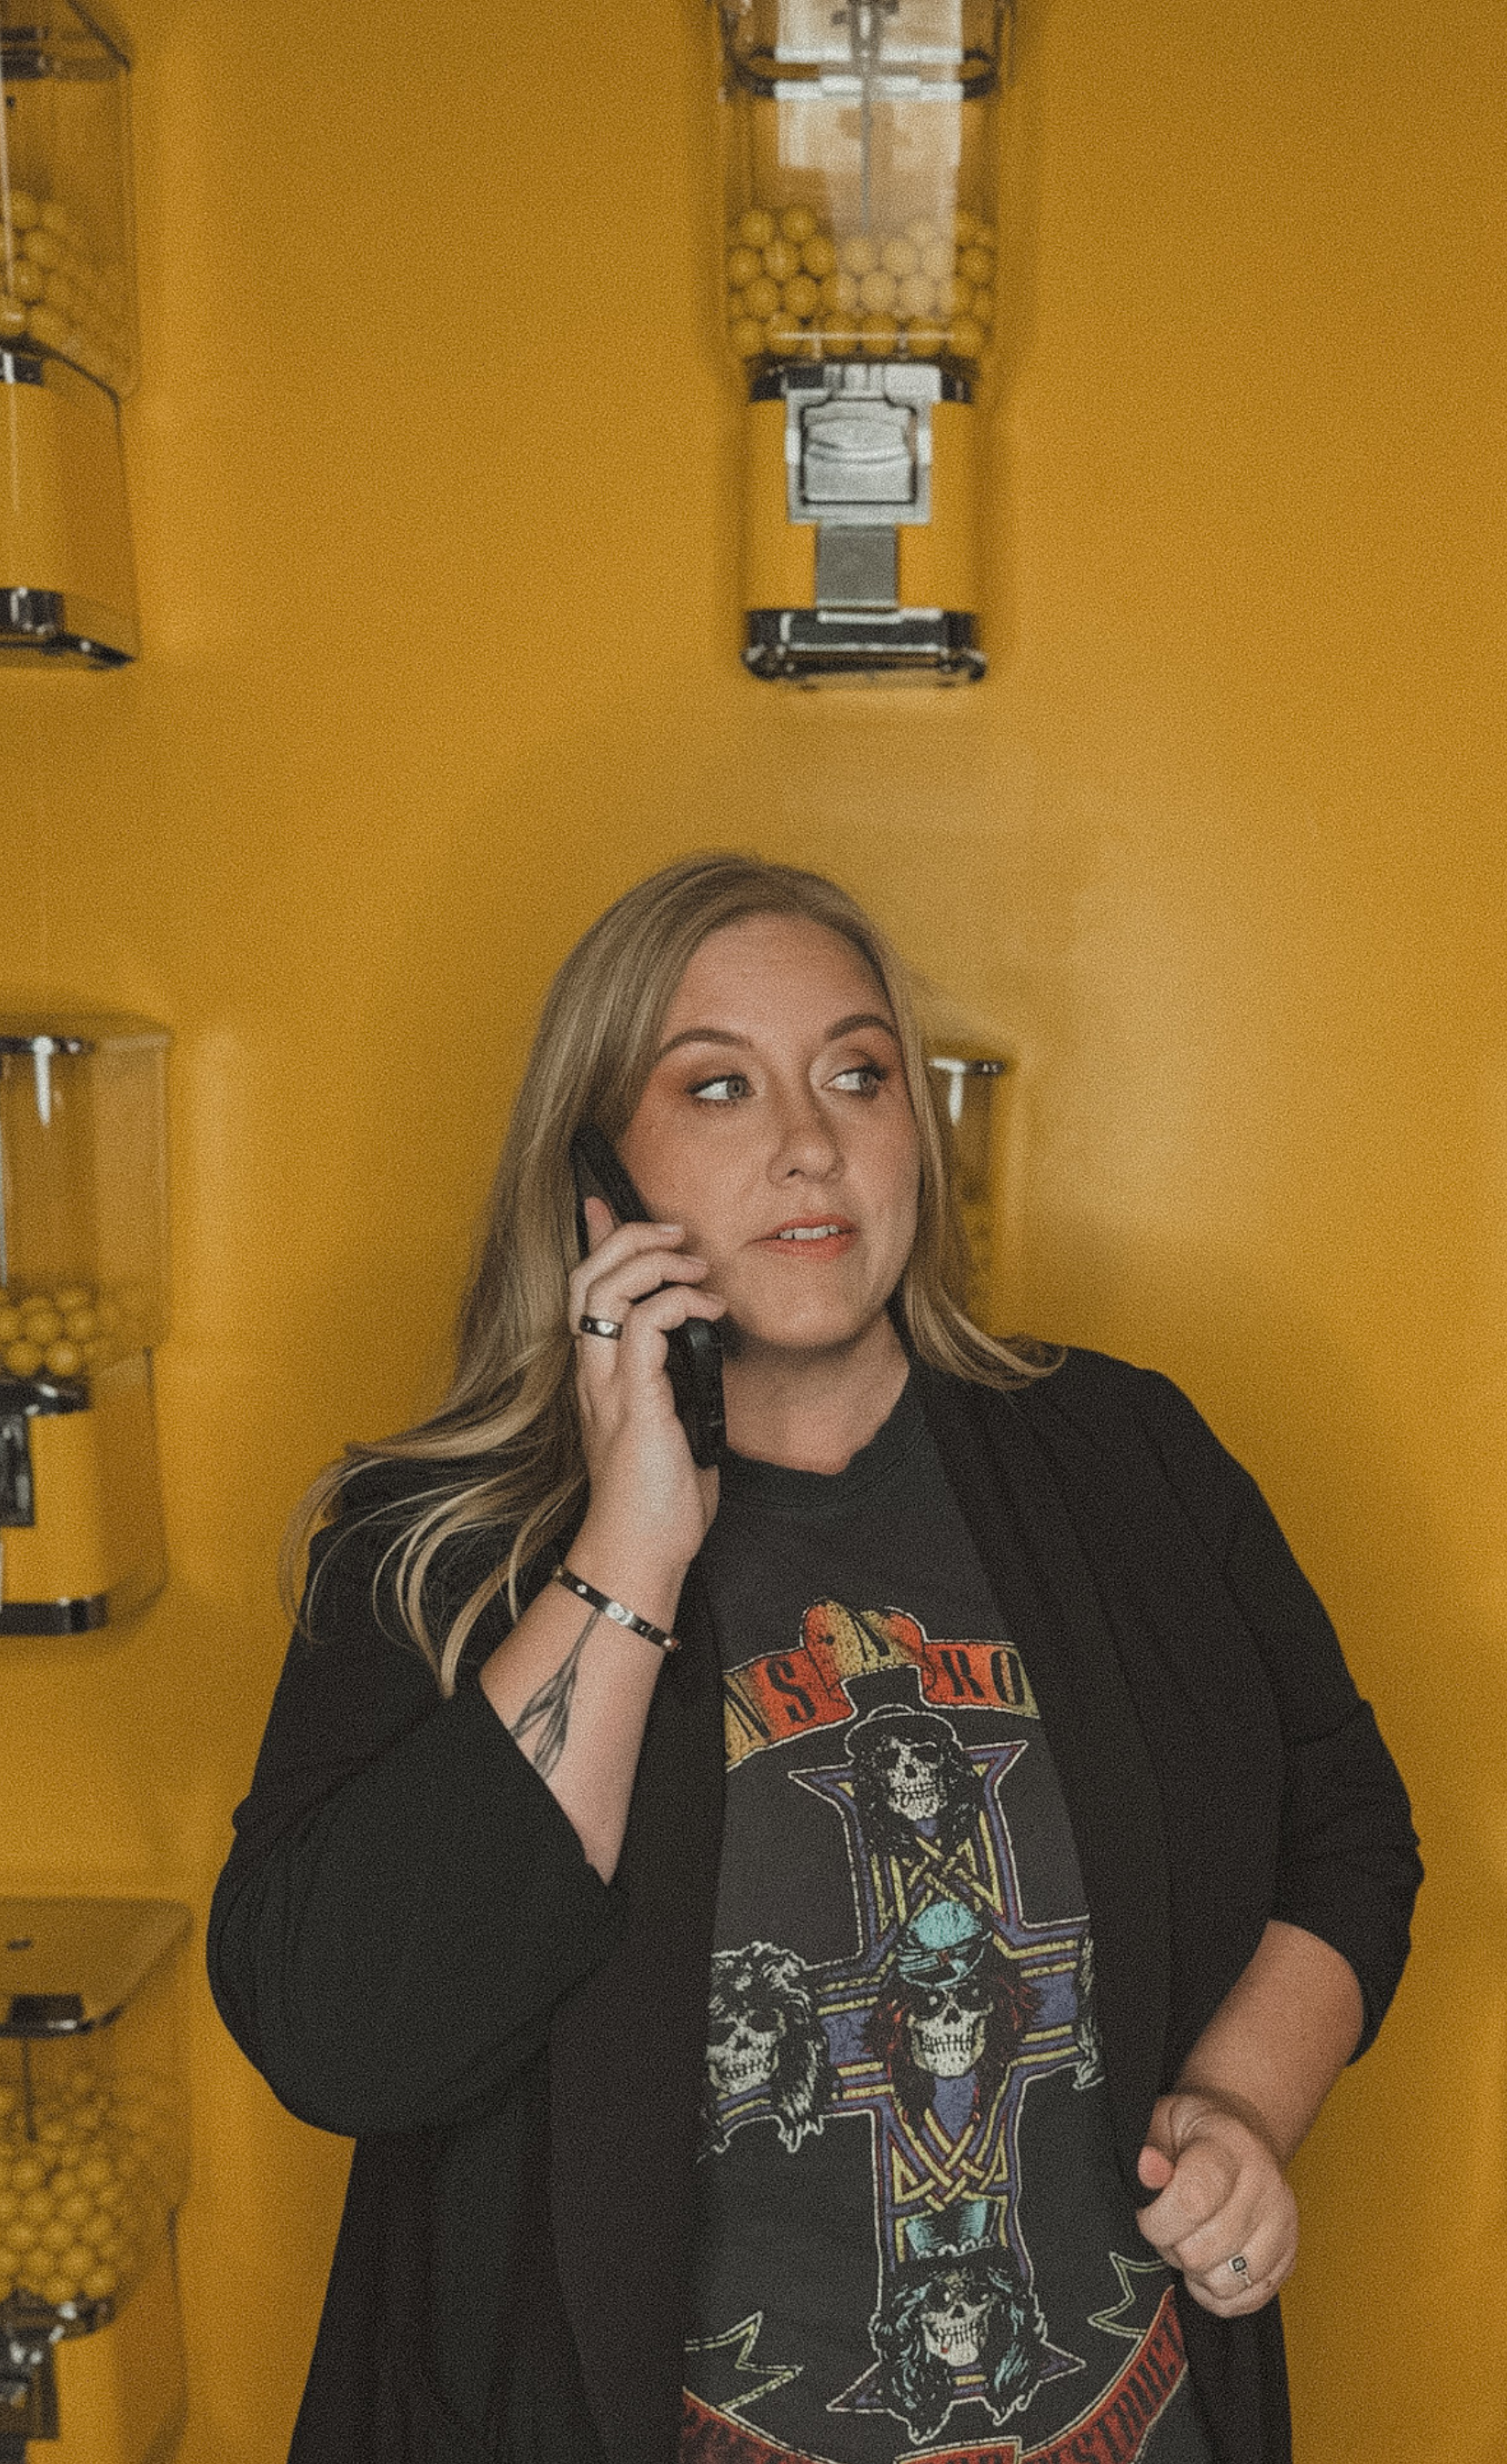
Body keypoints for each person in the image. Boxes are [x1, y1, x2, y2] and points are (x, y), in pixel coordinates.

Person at [209, 852, 1421, 2464]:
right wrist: (632, 1544)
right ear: (597, 1180)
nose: (808, 1141)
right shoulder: (434, 1545)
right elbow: (343, 2029)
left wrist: (1246, 2108)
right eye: (716, 1087)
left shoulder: (1128, 1457)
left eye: (859, 1074)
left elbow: (1346, 1830)